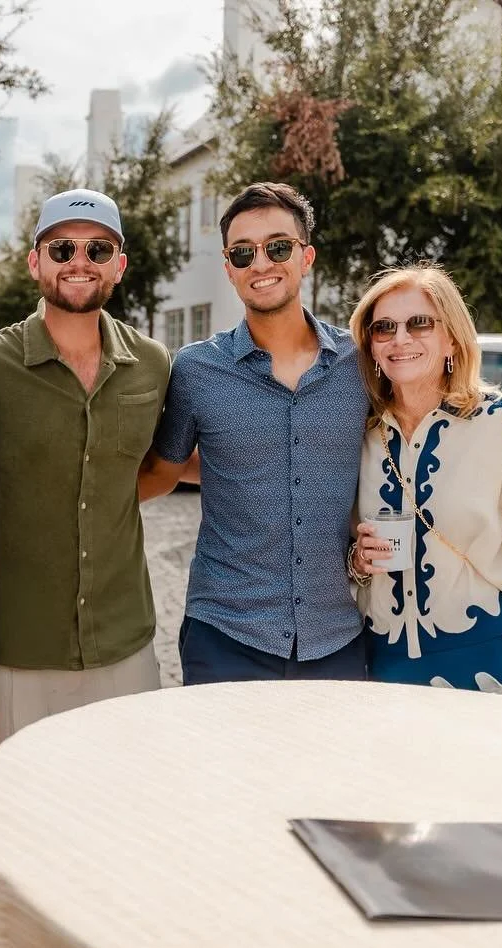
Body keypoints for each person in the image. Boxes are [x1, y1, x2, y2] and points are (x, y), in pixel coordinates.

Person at [0, 189, 168, 754]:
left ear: (119, 265)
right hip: (19, 653)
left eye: (98, 249)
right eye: (62, 248)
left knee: (127, 801)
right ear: (35, 262)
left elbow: (159, 468)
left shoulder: (152, 364)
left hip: (125, 645)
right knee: (22, 807)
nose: (80, 261)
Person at [138, 182, 372, 684]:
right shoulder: (196, 370)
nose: (260, 263)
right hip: (225, 634)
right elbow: (163, 471)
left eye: (278, 247)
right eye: (243, 253)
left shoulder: (361, 366)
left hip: (336, 632)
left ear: (306, 257)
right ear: (229, 268)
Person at [348, 265, 502, 698]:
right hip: (383, 668)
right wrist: (358, 561)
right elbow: (340, 545)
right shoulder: (358, 432)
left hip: (489, 666)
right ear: (371, 346)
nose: (400, 338)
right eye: (383, 328)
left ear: (451, 338)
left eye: (419, 324)